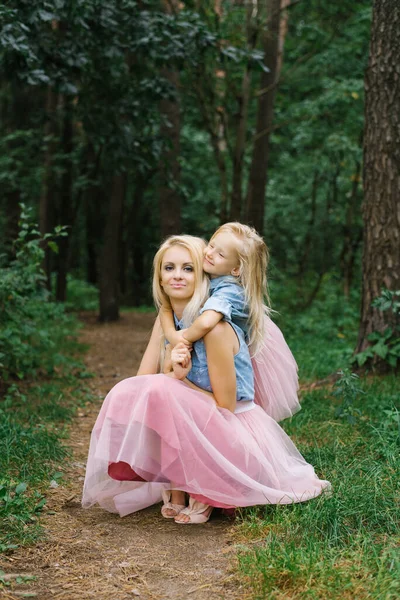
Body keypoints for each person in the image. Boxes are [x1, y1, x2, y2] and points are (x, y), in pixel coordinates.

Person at [82, 235, 330, 524]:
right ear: (159, 277)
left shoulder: (215, 328)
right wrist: (171, 373)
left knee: (165, 388)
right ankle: (177, 482)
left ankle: (203, 488)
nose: (177, 276)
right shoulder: (167, 319)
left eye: (188, 268)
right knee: (130, 392)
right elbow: (145, 384)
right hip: (199, 420)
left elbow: (225, 406)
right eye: (169, 268)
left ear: (202, 276)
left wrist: (178, 380)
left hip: (231, 430)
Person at [160, 222, 300, 422]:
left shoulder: (230, 289)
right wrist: (173, 336)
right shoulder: (208, 279)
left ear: (235, 270)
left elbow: (207, 322)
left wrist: (182, 339)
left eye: (220, 254)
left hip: (228, 372)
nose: (209, 253)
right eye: (212, 245)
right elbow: (165, 307)